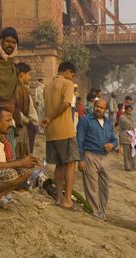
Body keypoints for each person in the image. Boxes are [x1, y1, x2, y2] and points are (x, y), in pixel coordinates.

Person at [42, 61, 79, 210]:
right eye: (72, 74)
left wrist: (49, 119)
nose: (72, 78)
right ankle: (67, 200)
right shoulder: (68, 84)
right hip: (65, 130)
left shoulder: (47, 85)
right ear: (68, 72)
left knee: (59, 164)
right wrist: (50, 117)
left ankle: (58, 198)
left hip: (51, 132)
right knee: (70, 164)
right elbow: (65, 104)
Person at [76, 99, 118, 220]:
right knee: (92, 187)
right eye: (97, 106)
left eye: (101, 107)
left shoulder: (108, 123)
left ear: (105, 110)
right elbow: (79, 141)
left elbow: (115, 140)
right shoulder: (85, 120)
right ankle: (94, 213)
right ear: (93, 107)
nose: (98, 109)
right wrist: (80, 160)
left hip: (104, 158)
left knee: (104, 188)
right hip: (90, 156)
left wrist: (112, 145)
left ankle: (102, 212)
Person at [0, 108, 38, 201]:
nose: (11, 124)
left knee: (26, 170)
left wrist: (25, 161)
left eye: (11, 120)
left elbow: (5, 161)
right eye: (7, 121)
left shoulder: (2, 138)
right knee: (11, 174)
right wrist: (20, 163)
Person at [14, 63, 38, 158]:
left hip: (26, 126)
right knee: (20, 154)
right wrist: (28, 121)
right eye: (28, 74)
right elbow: (16, 110)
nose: (30, 77)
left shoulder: (23, 90)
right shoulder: (17, 90)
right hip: (21, 127)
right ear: (21, 75)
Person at [0, 27, 18, 114]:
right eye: (7, 41)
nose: (11, 45)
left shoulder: (13, 67)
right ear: (0, 42)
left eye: (14, 42)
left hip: (9, 116)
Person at [118, 104, 136, 171]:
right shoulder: (122, 117)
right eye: (128, 110)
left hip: (132, 138)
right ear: (125, 110)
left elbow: (135, 125)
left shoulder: (131, 117)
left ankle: (133, 166)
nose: (130, 112)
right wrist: (133, 125)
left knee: (133, 153)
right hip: (125, 137)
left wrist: (133, 125)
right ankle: (127, 167)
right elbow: (129, 126)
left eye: (131, 111)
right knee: (127, 154)